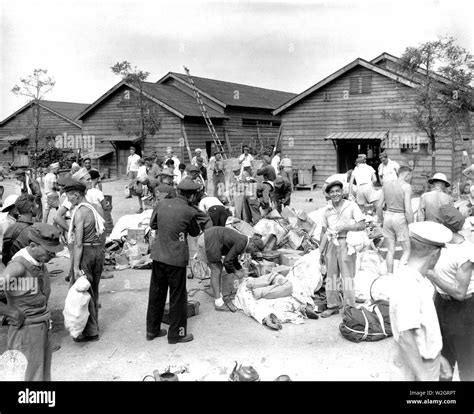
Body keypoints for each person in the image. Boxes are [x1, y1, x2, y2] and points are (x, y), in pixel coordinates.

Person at [389, 221, 452, 381]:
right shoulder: (410, 284)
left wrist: (438, 358)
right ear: (435, 254)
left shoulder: (415, 278)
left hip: (423, 360)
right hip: (415, 367)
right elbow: (406, 336)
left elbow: (421, 329)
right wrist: (423, 376)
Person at [0, 223, 63, 381]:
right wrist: (9, 311)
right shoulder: (18, 267)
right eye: (49, 251)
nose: (53, 256)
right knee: (29, 379)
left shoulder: (38, 262)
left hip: (41, 327)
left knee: (41, 376)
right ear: (33, 246)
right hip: (25, 331)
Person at [146, 179, 203, 344]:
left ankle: (152, 330)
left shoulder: (162, 204)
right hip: (176, 259)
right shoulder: (189, 211)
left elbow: (153, 224)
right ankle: (177, 334)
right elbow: (194, 232)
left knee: (156, 294)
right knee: (178, 297)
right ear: (191, 196)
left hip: (158, 256)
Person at [424, 205, 474, 381]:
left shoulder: (465, 251)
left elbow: (460, 293)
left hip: (464, 310)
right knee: (442, 362)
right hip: (441, 305)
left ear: (445, 226)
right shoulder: (440, 244)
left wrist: (431, 276)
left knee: (467, 365)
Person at [66, 180, 105, 342]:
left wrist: (75, 266)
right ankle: (94, 325)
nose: (69, 200)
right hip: (99, 251)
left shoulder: (80, 212)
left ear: (76, 194)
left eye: (69, 197)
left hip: (86, 252)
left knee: (83, 291)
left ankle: (90, 331)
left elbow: (79, 242)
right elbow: (104, 231)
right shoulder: (96, 208)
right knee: (94, 289)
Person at [319, 181, 365, 318]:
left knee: (347, 277)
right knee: (331, 276)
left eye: (337, 191)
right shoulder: (326, 210)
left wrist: (346, 227)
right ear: (329, 194)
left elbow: (362, 224)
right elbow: (323, 230)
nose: (335, 194)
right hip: (331, 243)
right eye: (332, 192)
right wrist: (321, 251)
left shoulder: (351, 206)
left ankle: (350, 308)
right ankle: (333, 305)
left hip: (346, 243)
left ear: (342, 192)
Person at [195, 226, 264, 311]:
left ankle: (218, 294)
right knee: (216, 270)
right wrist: (236, 272)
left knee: (218, 267)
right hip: (208, 240)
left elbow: (232, 257)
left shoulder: (244, 241)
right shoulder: (242, 243)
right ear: (252, 245)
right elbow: (227, 261)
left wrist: (239, 268)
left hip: (210, 237)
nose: (252, 253)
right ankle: (218, 303)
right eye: (254, 251)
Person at [376, 166, 414, 275]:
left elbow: (379, 206)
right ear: (406, 175)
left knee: (390, 250)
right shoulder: (406, 186)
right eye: (410, 176)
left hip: (388, 215)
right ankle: (400, 276)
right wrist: (411, 225)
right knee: (406, 250)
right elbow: (408, 209)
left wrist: (381, 219)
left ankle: (389, 275)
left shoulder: (386, 185)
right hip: (400, 216)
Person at [2, 194, 37, 266]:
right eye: (36, 205)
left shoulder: (11, 227)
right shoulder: (32, 231)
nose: (37, 207)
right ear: (31, 209)